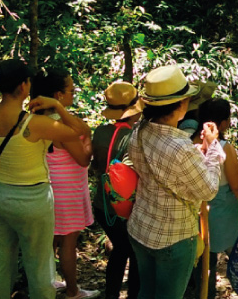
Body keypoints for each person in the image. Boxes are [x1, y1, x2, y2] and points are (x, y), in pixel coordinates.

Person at [0, 59, 91, 299]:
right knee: (40, 264)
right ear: (24, 86)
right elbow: (81, 131)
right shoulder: (36, 124)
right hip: (31, 199)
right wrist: (58, 107)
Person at [127, 64, 225, 299]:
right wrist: (212, 147)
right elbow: (209, 190)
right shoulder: (180, 147)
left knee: (146, 292)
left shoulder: (138, 130)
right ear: (182, 105)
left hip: (141, 228)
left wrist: (198, 151)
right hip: (174, 238)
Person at [32, 67, 98, 299]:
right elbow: (82, 159)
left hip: (46, 186)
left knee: (49, 240)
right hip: (67, 188)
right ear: (58, 95)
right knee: (69, 242)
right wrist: (88, 138)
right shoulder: (61, 125)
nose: (74, 93)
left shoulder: (36, 119)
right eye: (71, 89)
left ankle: (46, 286)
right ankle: (72, 291)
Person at [90, 81, 143, 299]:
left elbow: (95, 166)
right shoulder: (135, 137)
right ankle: (132, 295)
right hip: (126, 209)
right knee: (134, 253)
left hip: (102, 204)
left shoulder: (101, 132)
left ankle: (111, 294)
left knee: (121, 250)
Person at [190, 98, 238, 299]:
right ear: (221, 123)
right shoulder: (224, 147)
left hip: (195, 212)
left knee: (204, 262)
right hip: (222, 212)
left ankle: (203, 294)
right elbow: (237, 186)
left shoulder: (189, 142)